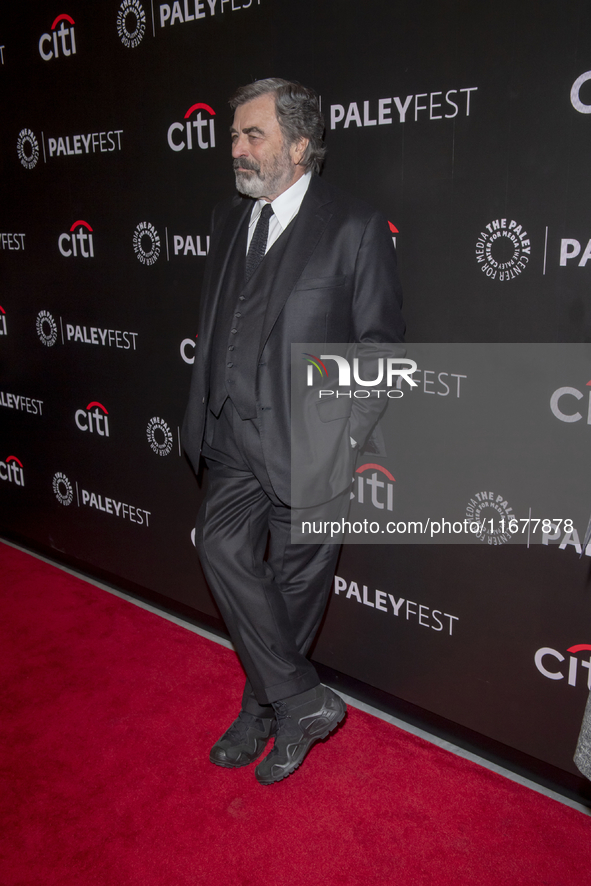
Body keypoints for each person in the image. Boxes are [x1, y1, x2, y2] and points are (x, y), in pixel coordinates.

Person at [182, 78, 405, 785]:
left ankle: (263, 712)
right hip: (228, 435)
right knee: (220, 550)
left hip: (308, 445)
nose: (236, 148)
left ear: (300, 145)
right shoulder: (228, 218)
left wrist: (338, 438)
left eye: (254, 135)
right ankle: (301, 698)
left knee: (296, 588)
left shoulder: (353, 226)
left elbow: (381, 349)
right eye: (234, 135)